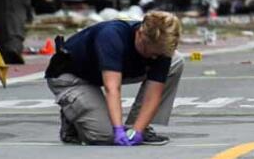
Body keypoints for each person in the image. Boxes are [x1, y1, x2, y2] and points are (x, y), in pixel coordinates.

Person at [45, 11, 183, 146]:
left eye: (158, 54)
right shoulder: (111, 36)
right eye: (151, 52)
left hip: (101, 72)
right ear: (140, 34)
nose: (154, 57)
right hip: (71, 77)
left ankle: (134, 126)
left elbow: (153, 93)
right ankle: (72, 118)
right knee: (106, 135)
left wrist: (138, 130)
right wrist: (117, 129)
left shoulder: (161, 46)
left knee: (175, 60)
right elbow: (112, 88)